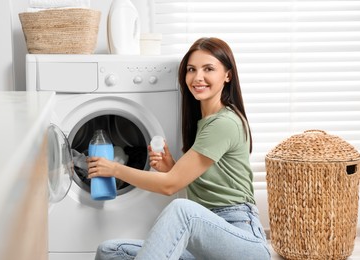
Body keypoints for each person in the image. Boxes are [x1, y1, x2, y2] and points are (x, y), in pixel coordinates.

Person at [87, 37, 271, 260]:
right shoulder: (203, 122)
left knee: (182, 210)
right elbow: (187, 181)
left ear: (227, 75)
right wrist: (172, 167)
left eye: (208, 69)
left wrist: (114, 169)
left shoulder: (225, 123)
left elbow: (170, 186)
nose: (197, 77)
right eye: (191, 69)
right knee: (110, 251)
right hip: (203, 241)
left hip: (241, 239)